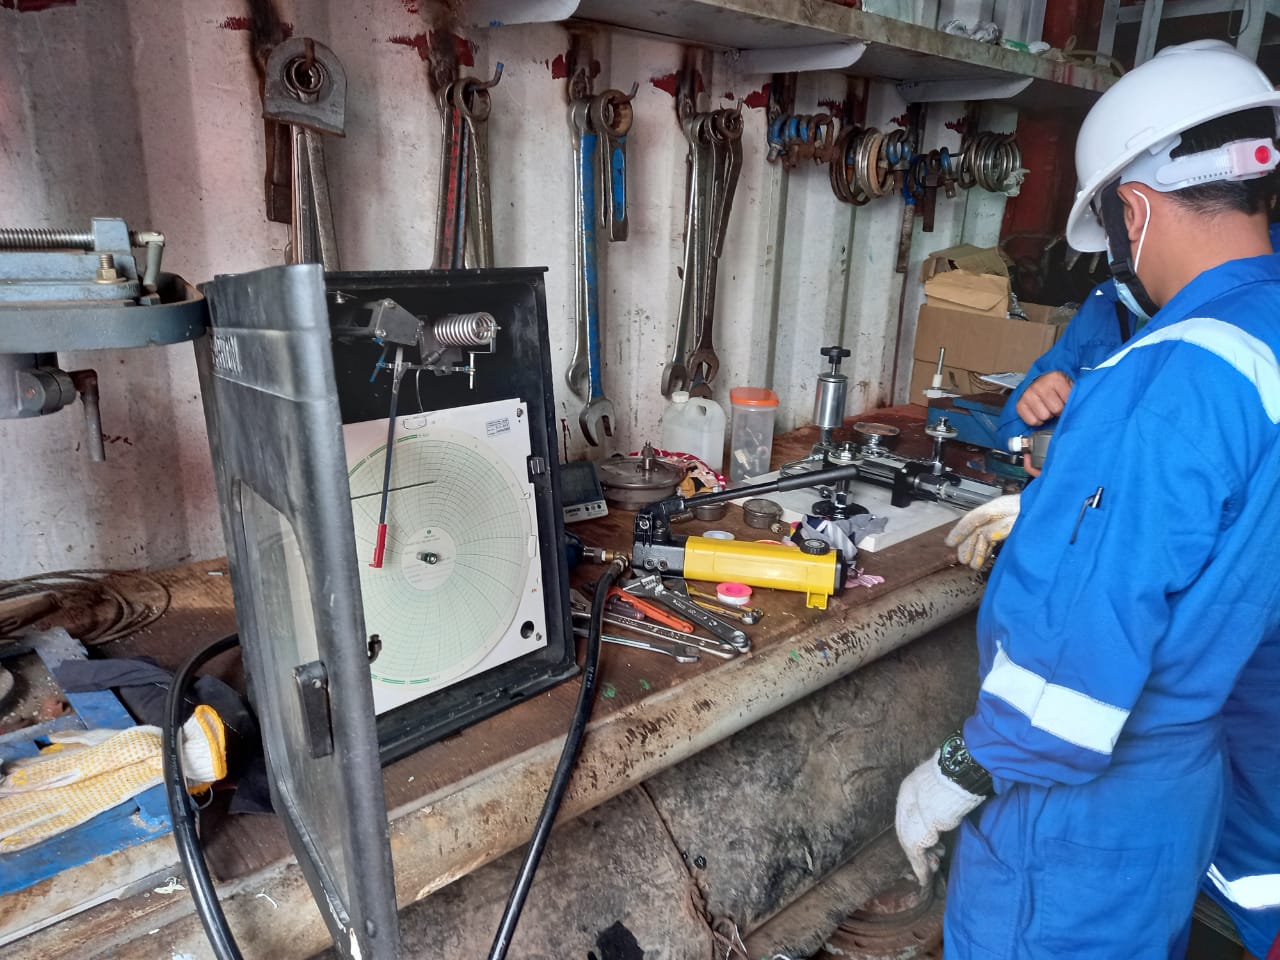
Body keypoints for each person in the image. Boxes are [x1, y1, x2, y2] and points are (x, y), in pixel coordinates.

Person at [894, 41, 1280, 959]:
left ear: (1133, 209)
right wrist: (1071, 501)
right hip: (1180, 797)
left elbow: (1074, 663)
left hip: (1081, 817)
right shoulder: (1262, 336)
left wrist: (957, 772)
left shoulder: (1166, 376)